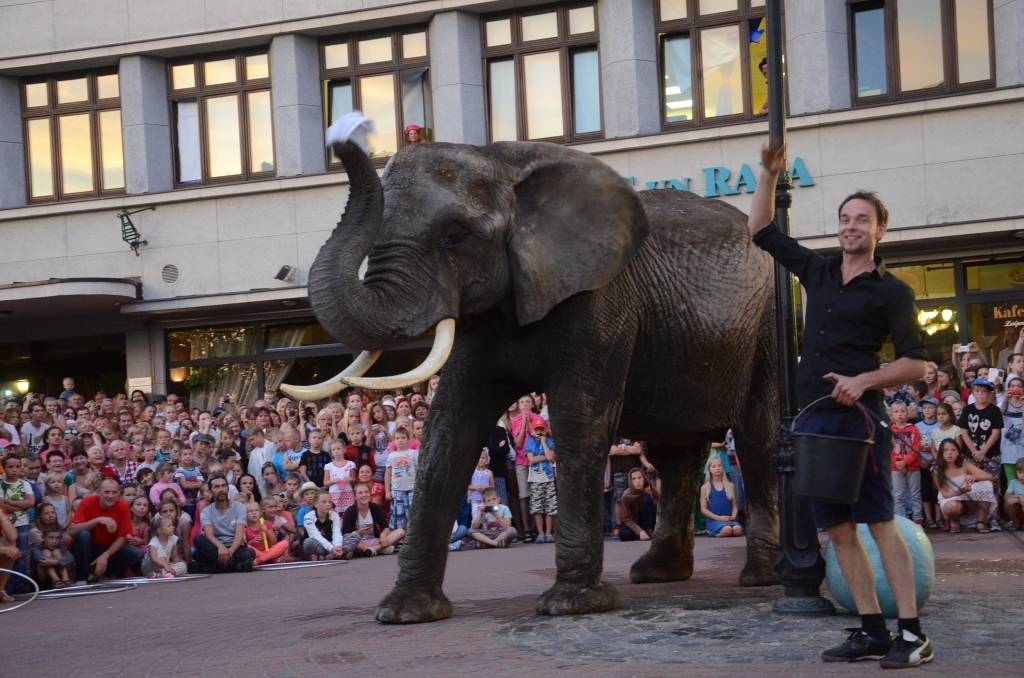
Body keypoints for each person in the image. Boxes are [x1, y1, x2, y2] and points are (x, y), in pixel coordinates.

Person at [748, 141, 932, 667]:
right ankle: (872, 631)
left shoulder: (892, 292)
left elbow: (917, 364)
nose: (852, 226)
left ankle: (912, 634)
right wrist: (767, 174)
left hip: (860, 421)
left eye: (862, 220)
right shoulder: (819, 271)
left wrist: (864, 379)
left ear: (880, 230)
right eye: (846, 219)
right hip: (816, 421)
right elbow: (760, 230)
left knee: (879, 524)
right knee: (837, 530)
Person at [68, 477, 143, 582]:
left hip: (108, 548)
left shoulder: (123, 505)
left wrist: (106, 555)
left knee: (136, 554)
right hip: (88, 549)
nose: (110, 496)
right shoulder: (87, 502)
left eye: (114, 492)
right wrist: (97, 520)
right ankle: (82, 578)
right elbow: (72, 531)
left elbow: (122, 537)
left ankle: (104, 574)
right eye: (106, 492)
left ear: (119, 494)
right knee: (83, 535)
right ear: (99, 492)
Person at [958, 377, 1003, 532]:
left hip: (991, 455)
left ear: (990, 394)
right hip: (970, 455)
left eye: (984, 392)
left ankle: (995, 518)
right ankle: (975, 518)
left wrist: (983, 451)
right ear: (973, 393)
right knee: (971, 484)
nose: (981, 395)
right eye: (977, 391)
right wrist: (973, 451)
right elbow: (964, 431)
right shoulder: (968, 410)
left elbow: (996, 432)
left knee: (994, 486)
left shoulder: (994, 410)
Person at [933, 439, 997, 533]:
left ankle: (980, 521)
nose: (949, 453)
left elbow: (989, 476)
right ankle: (955, 521)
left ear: (958, 452)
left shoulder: (964, 464)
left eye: (953, 450)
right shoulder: (937, 470)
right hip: (951, 498)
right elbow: (945, 494)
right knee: (953, 506)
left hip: (966, 495)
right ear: (941, 453)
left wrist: (974, 476)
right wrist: (960, 491)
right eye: (946, 450)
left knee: (986, 484)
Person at [194, 474, 254, 573]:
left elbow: (239, 535)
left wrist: (230, 551)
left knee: (249, 553)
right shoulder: (206, 511)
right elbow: (209, 535)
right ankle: (234, 566)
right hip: (216, 548)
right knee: (199, 540)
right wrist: (221, 547)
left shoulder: (240, 507)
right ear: (211, 491)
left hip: (235, 547)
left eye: (223, 486)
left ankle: (217, 567)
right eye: (217, 487)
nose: (221, 489)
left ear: (227, 488)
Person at [341, 482, 402, 558]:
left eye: (366, 492)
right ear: (355, 497)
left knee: (401, 531)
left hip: (374, 540)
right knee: (351, 544)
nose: (364, 495)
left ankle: (372, 550)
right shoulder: (350, 511)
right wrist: (357, 536)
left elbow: (385, 527)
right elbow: (345, 535)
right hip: (359, 543)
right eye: (360, 493)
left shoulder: (375, 508)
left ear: (370, 494)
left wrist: (383, 535)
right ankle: (379, 549)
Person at [888, 402, 923, 523]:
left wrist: (906, 461)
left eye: (902, 411)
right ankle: (901, 520)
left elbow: (917, 447)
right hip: (895, 468)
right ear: (892, 415)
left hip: (913, 467)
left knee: (915, 494)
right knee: (898, 495)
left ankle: (918, 518)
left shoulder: (914, 430)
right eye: (896, 412)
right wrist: (897, 462)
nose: (900, 414)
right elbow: (887, 449)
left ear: (908, 414)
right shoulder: (889, 431)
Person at [525, 420, 557, 543]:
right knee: (537, 507)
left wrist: (543, 442)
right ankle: (540, 533)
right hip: (535, 479)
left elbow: (551, 457)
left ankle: (548, 533)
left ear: (546, 430)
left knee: (550, 507)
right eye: (537, 429)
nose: (539, 432)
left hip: (548, 478)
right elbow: (531, 459)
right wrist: (544, 457)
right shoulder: (530, 441)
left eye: (541, 429)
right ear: (533, 431)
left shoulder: (549, 441)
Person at [700, 455, 743, 537]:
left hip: (728, 519)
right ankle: (711, 531)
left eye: (719, 466)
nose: (717, 468)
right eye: (714, 466)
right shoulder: (705, 487)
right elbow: (703, 509)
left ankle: (727, 529)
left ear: (723, 468)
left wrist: (733, 516)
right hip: (714, 520)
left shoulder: (730, 485)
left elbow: (734, 506)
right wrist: (719, 518)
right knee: (727, 530)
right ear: (709, 469)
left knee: (737, 530)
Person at [384, 427, 417, 531]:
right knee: (398, 515)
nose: (400, 440)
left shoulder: (413, 453)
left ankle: (411, 536)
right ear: (394, 440)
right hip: (397, 490)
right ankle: (398, 537)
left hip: (412, 489)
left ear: (408, 439)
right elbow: (387, 474)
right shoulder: (391, 456)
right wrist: (387, 491)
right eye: (397, 438)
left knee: (412, 514)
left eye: (403, 437)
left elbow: (419, 471)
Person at [618, 467, 659, 541]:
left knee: (646, 499)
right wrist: (639, 531)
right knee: (623, 534)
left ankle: (648, 531)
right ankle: (642, 534)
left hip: (649, 521)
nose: (637, 481)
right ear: (630, 481)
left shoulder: (650, 489)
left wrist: (651, 495)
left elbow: (659, 506)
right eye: (634, 479)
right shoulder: (626, 495)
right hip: (634, 522)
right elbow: (626, 518)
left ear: (644, 479)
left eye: (640, 478)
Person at [302, 490, 345, 560]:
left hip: (332, 544)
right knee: (308, 542)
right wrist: (331, 548)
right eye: (324, 502)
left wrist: (338, 546)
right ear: (316, 504)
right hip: (318, 545)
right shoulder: (308, 517)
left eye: (329, 502)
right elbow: (315, 536)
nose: (328, 504)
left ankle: (325, 557)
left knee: (351, 536)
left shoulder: (334, 515)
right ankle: (334, 555)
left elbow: (336, 532)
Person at [323, 439, 356, 512]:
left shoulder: (351, 464)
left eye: (338, 448)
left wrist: (350, 479)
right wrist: (333, 481)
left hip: (347, 493)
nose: (336, 451)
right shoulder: (328, 466)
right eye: (333, 449)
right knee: (334, 513)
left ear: (344, 449)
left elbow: (354, 480)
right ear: (331, 452)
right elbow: (325, 483)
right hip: (334, 494)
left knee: (349, 512)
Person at [467, 448, 494, 518]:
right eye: (479, 458)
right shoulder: (472, 472)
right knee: (475, 516)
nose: (481, 460)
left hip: (486, 500)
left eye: (483, 458)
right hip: (475, 499)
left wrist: (485, 488)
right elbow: (468, 486)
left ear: (487, 460)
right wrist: (475, 487)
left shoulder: (489, 473)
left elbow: (492, 487)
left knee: (487, 517)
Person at [1003, 459, 1024, 530]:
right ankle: (1016, 522)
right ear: (1016, 472)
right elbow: (1006, 497)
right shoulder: (1014, 482)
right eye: (1020, 472)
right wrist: (1019, 497)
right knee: (1008, 502)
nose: (1022, 475)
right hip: (1018, 509)